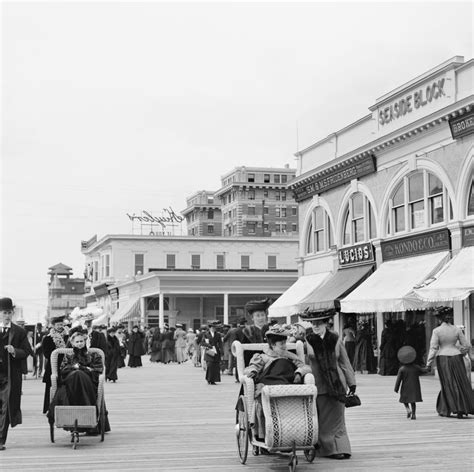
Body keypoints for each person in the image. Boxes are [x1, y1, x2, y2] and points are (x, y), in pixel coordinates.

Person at [302, 309, 356, 460]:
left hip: (337, 383)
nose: (316, 326)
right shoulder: (307, 339)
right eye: (313, 323)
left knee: (338, 418)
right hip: (317, 383)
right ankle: (326, 448)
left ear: (326, 323)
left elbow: (344, 362)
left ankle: (342, 447)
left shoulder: (336, 338)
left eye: (319, 323)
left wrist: (351, 383)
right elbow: (302, 361)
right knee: (322, 418)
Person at [244, 324, 312, 440]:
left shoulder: (290, 357)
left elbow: (306, 367)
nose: (285, 347)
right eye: (281, 345)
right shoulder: (262, 357)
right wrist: (253, 371)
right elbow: (250, 368)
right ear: (272, 345)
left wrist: (299, 373)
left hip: (288, 385)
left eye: (285, 343)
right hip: (269, 386)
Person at [47, 327, 110, 433]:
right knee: (75, 374)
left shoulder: (94, 355)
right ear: (72, 343)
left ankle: (85, 417)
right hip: (71, 382)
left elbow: (98, 370)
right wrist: (75, 368)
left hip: (88, 383)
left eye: (81, 341)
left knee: (79, 374)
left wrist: (82, 368)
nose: (80, 344)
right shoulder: (69, 355)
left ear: (85, 341)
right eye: (77, 342)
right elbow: (63, 370)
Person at [426, 306, 474, 418]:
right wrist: (463, 352)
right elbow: (466, 345)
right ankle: (462, 408)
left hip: (443, 358)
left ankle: (447, 409)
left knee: (447, 383)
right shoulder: (456, 330)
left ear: (439, 319)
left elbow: (433, 348)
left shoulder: (436, 331)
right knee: (460, 382)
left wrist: (428, 363)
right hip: (457, 357)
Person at [0, 297, 33, 450]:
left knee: (6, 407)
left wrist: (15, 351)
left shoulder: (19, 331)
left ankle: (1, 440)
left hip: (10, 375)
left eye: (9, 312)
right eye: (4, 312)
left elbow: (27, 351)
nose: (7, 315)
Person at [42, 314, 69, 414]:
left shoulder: (68, 337)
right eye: (58, 325)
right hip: (53, 366)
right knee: (51, 387)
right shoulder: (48, 338)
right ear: (53, 325)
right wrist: (58, 355)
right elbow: (46, 353)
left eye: (62, 324)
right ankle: (49, 407)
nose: (60, 326)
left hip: (66, 365)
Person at [394, 346, 425, 420]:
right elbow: (423, 371)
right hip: (414, 387)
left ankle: (408, 409)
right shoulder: (416, 367)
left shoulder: (402, 369)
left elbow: (398, 380)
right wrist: (428, 368)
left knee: (404, 400)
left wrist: (396, 388)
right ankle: (413, 414)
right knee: (413, 401)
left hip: (405, 387)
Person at [201, 320, 223, 385]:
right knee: (210, 365)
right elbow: (202, 342)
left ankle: (213, 380)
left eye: (215, 328)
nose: (214, 329)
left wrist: (221, 351)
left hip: (216, 351)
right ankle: (208, 379)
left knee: (216, 366)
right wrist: (208, 345)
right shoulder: (206, 334)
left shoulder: (218, 334)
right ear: (210, 327)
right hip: (209, 351)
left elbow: (220, 343)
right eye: (213, 327)